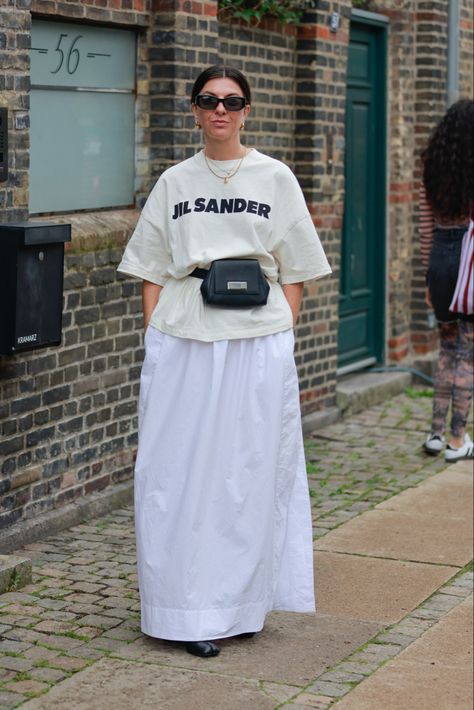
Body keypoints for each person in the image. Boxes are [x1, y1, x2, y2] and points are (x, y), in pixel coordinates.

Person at [117, 65, 331, 658]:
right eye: (209, 101)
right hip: (186, 337)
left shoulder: (275, 177)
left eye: (232, 102)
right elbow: (151, 266)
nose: (220, 111)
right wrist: (156, 331)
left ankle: (239, 604)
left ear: (246, 110)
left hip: (257, 339)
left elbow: (298, 266)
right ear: (193, 109)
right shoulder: (175, 181)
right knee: (178, 473)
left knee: (250, 471)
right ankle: (184, 610)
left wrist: (283, 328)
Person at [419, 98, 474, 462]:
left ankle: (436, 434)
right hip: (469, 262)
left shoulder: (432, 165)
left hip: (439, 256)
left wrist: (428, 276)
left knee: (446, 348)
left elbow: (426, 228)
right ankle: (458, 440)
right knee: (467, 354)